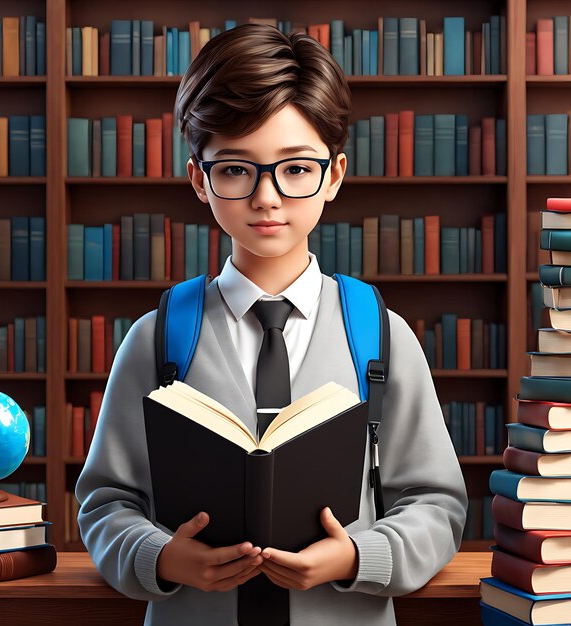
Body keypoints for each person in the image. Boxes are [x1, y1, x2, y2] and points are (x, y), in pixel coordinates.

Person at [75, 23, 469, 625]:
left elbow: (436, 503)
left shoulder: (381, 335)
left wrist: (358, 556)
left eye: (294, 169)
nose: (267, 198)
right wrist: (162, 557)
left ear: (333, 176)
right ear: (198, 180)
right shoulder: (157, 338)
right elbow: (105, 503)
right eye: (235, 169)